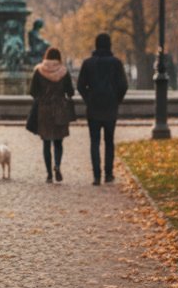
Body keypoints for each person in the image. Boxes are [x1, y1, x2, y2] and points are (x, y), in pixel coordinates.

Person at [76, 32, 129, 185]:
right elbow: (123, 85)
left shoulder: (88, 63)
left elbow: (80, 86)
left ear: (96, 45)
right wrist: (116, 99)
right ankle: (108, 173)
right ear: (109, 45)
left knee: (94, 141)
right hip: (110, 107)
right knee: (109, 141)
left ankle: (96, 176)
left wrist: (88, 98)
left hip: (93, 107)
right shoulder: (116, 63)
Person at [29, 45, 75, 183]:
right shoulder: (63, 71)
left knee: (46, 143)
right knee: (59, 142)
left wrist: (42, 97)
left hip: (44, 109)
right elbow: (71, 91)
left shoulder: (39, 71)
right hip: (59, 108)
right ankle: (57, 165)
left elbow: (32, 91)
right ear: (58, 58)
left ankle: (49, 174)